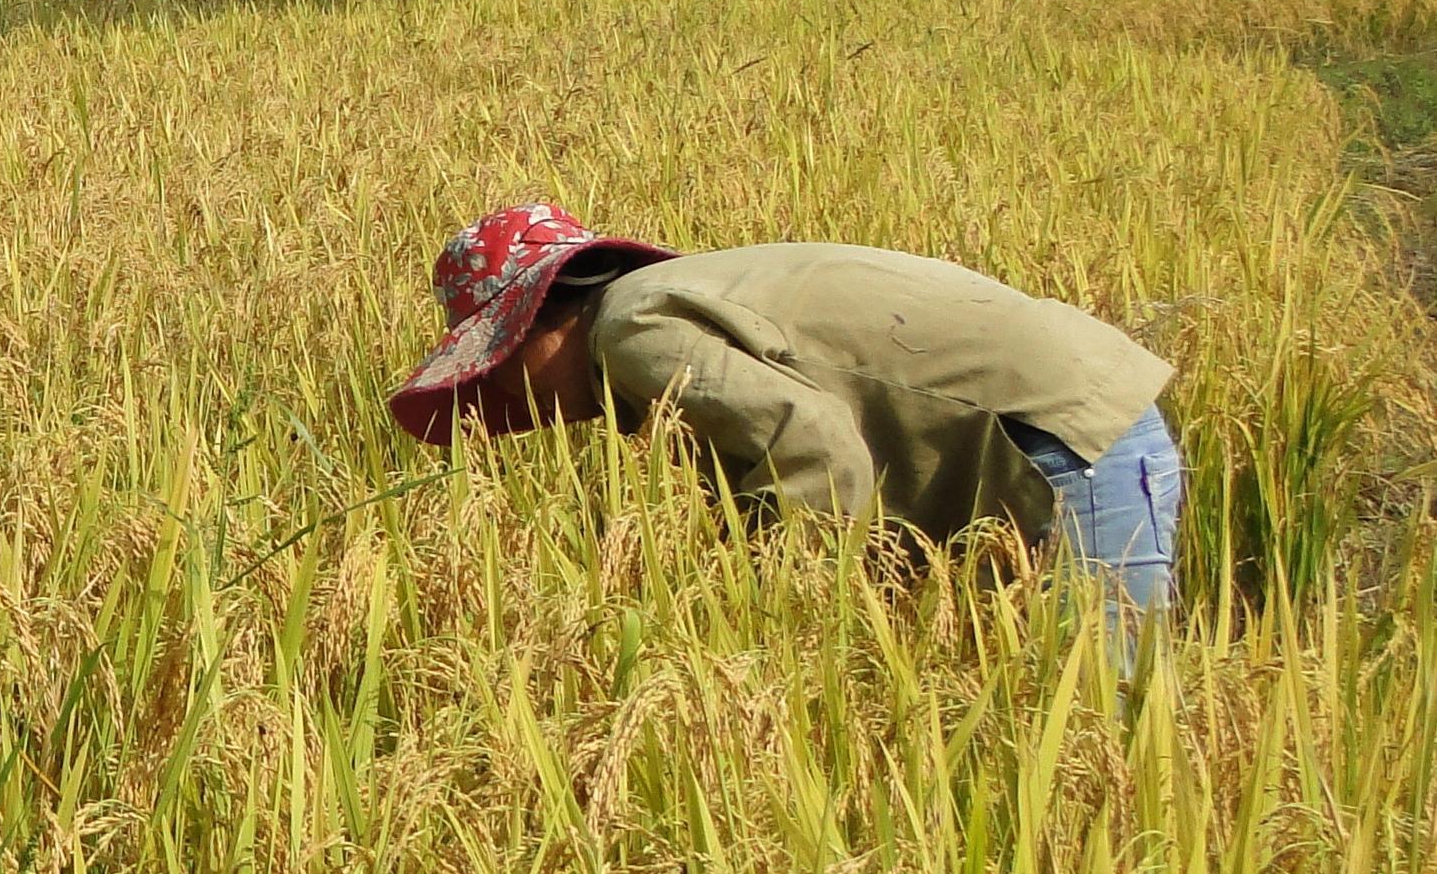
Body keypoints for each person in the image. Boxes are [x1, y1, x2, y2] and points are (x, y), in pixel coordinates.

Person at [388, 203, 1184, 615]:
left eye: (498, 364)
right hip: (1071, 424)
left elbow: (817, 457)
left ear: (541, 320)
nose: (507, 395)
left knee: (1098, 717)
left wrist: (782, 614)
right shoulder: (668, 303)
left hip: (1063, 442)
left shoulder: (629, 331)